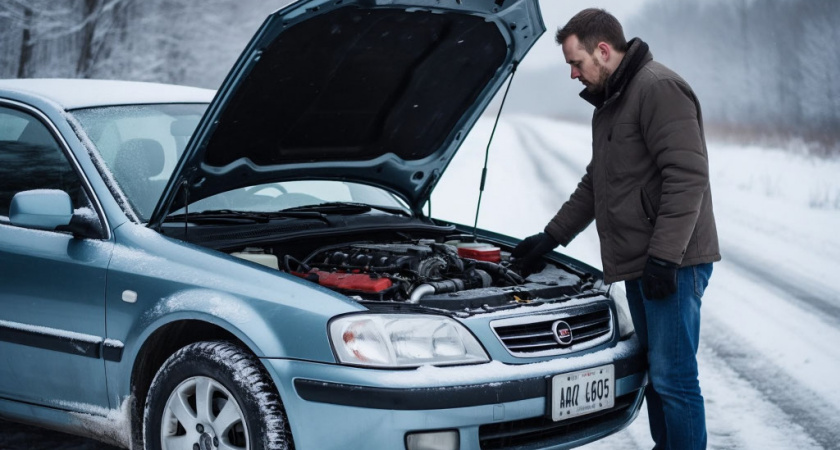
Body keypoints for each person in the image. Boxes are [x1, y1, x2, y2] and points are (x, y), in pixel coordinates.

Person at [511, 8, 720, 450]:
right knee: (657, 378)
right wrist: (551, 236)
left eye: (576, 63)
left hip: (673, 264)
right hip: (644, 265)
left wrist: (665, 256)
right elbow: (597, 183)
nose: (572, 75)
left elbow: (687, 176)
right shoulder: (613, 103)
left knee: (674, 379)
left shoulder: (658, 89)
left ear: (603, 51)